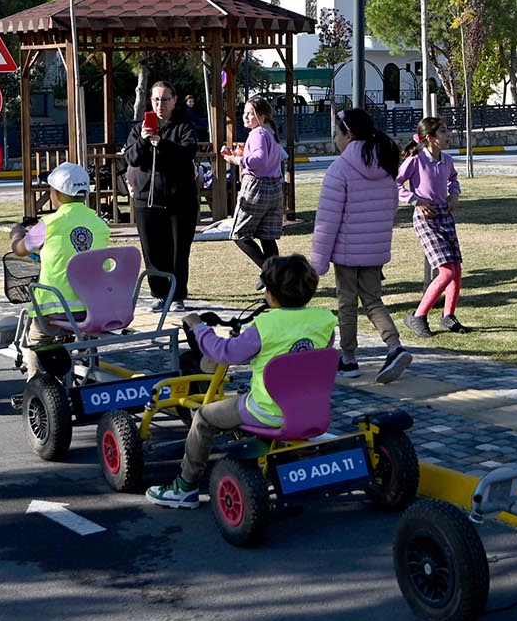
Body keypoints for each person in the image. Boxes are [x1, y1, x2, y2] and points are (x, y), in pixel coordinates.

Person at [146, 254, 336, 509]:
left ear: (271, 293)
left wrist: (199, 328)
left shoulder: (265, 326)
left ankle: (185, 487)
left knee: (203, 417)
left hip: (268, 411)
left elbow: (225, 353)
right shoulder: (324, 322)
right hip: (311, 411)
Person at [309, 109, 413, 383]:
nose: (335, 141)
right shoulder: (385, 163)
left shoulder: (340, 168)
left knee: (346, 303)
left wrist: (317, 262)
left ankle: (349, 359)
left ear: (349, 135)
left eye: (336, 134)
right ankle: (394, 346)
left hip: (346, 251)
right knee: (373, 300)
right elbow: (391, 207)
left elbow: (327, 220)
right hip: (374, 248)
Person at [5, 162, 111, 366]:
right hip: (94, 307)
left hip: (55, 308)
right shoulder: (100, 224)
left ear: (57, 194)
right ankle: (88, 362)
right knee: (85, 333)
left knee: (36, 339)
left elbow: (20, 249)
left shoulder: (49, 224)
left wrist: (16, 233)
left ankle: (35, 385)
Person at [123, 81, 200, 311]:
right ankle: (159, 292)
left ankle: (177, 296)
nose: (160, 104)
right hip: (147, 199)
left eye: (165, 99)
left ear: (174, 100)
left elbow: (187, 153)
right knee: (152, 250)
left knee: (178, 250)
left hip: (180, 200)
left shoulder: (184, 127)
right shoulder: (139, 129)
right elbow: (131, 158)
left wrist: (163, 144)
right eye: (156, 99)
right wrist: (145, 140)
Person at [397, 117, 468, 338]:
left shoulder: (446, 160)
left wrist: (454, 193)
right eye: (444, 132)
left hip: (444, 216)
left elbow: (453, 179)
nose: (449, 136)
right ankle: (417, 316)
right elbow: (394, 183)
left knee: (456, 270)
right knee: (446, 271)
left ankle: (448, 316)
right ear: (430, 138)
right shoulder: (416, 160)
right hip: (425, 220)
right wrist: (415, 200)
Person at [225, 96, 285, 285]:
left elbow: (258, 161)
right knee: (267, 236)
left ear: (263, 115)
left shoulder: (257, 133)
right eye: (245, 112)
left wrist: (236, 160)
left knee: (239, 234)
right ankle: (274, 281)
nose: (246, 117)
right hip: (275, 186)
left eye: (251, 113)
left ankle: (269, 272)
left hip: (257, 186)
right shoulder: (271, 131)